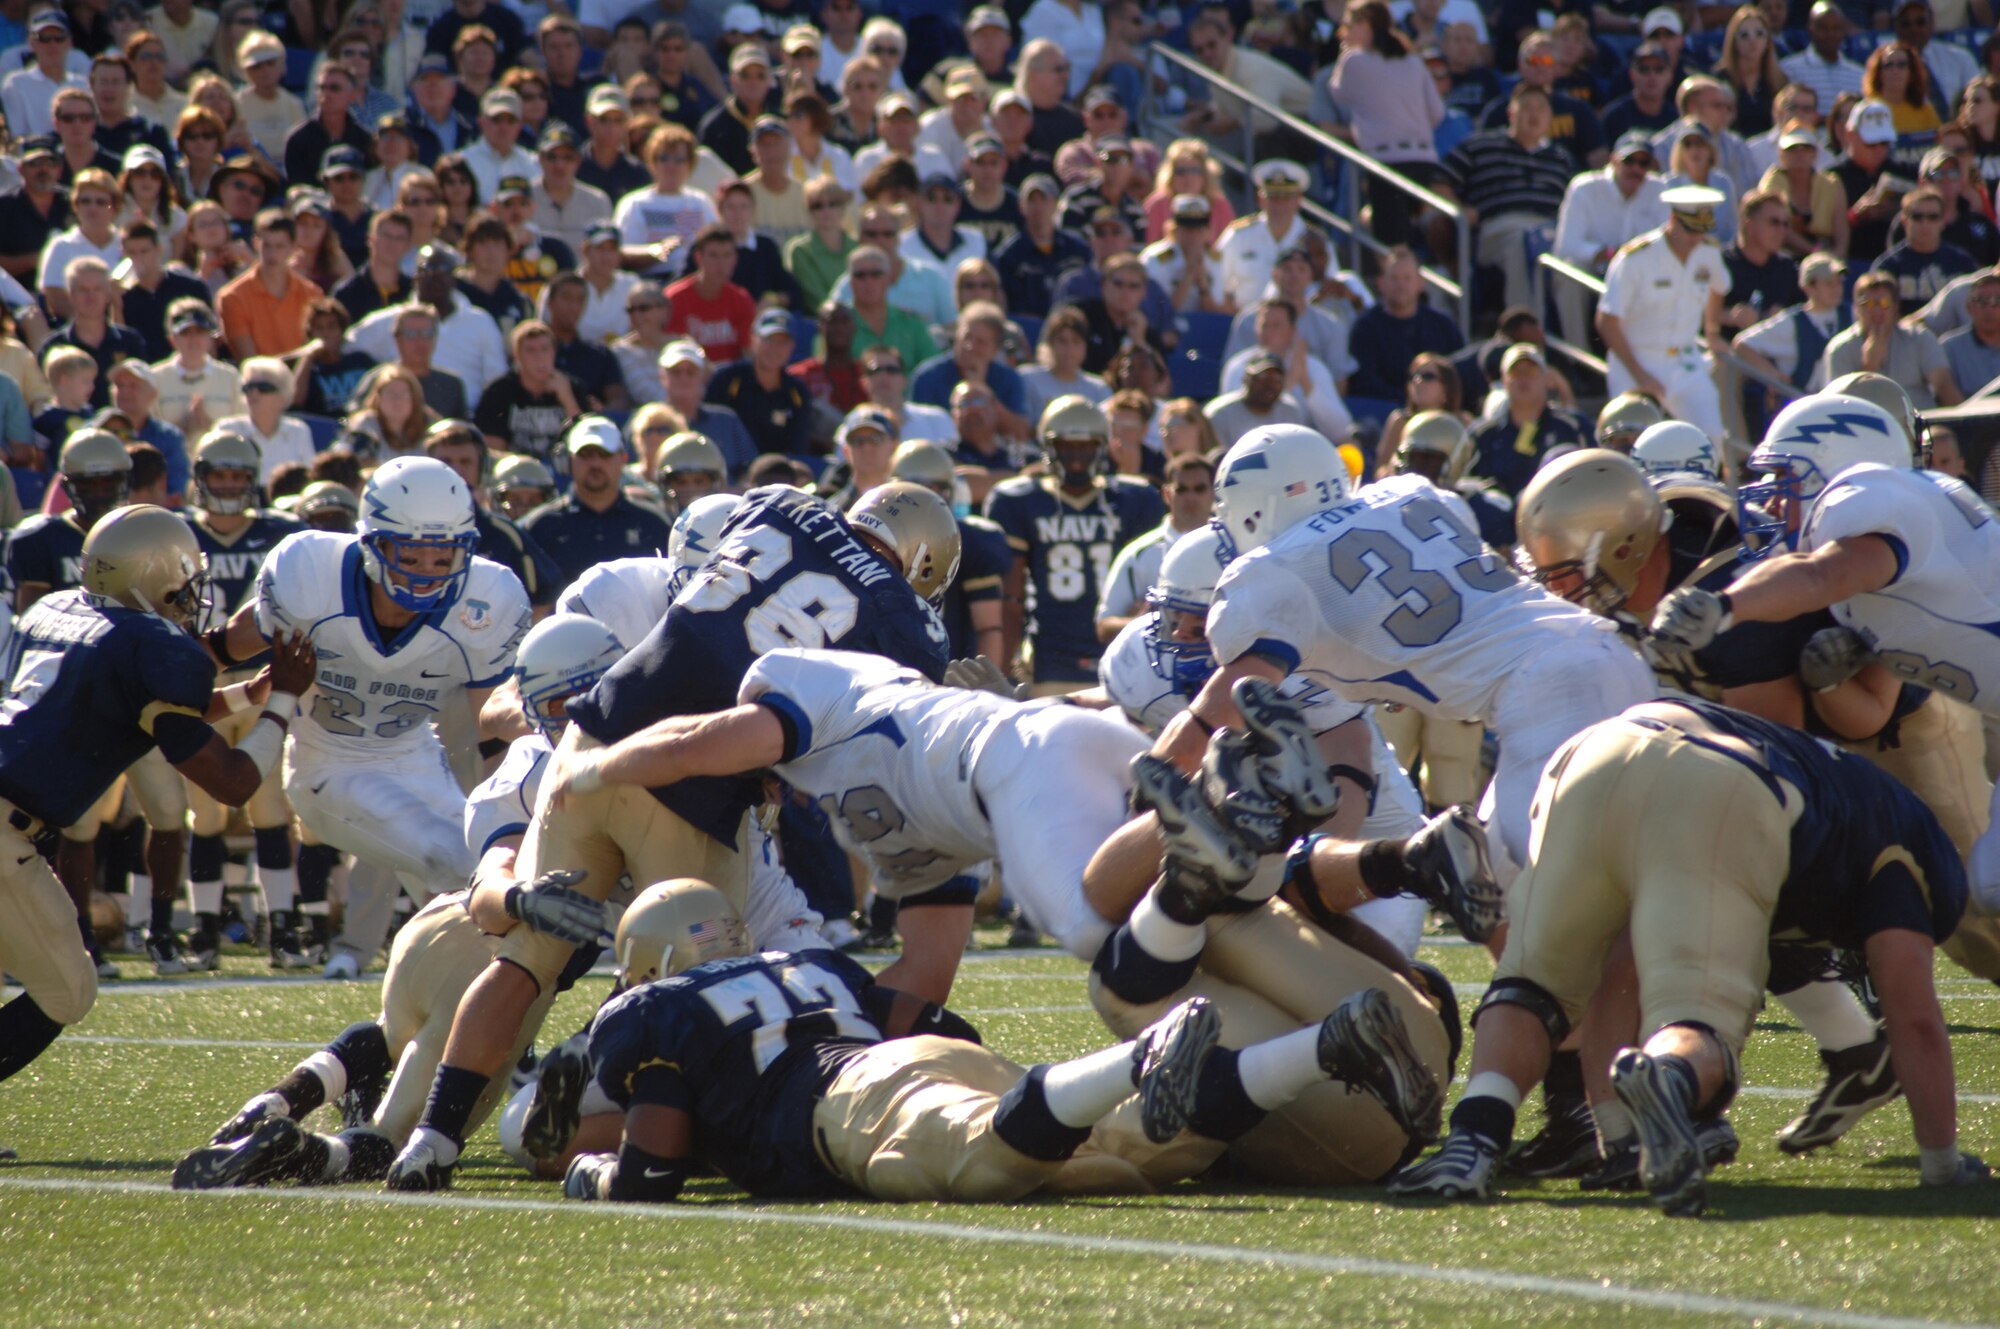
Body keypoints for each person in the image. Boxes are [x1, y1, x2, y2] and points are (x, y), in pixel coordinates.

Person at [383, 481, 958, 1191]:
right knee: (701, 989)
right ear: (926, 562)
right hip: (692, 783)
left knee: (521, 964)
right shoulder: (911, 625)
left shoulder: (780, 503)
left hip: (595, 736)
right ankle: (601, 1066)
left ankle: (431, 1141)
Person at [1390, 695, 1978, 1212]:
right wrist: (1943, 1161)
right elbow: (1915, 1020)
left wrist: (1619, 1138)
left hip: (1593, 752)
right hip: (1716, 781)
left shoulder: (1848, 791)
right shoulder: (1914, 852)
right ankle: (1671, 1082)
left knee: (1536, 982)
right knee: (1697, 1010)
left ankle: (1474, 1139)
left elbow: (1619, 976)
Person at [558, 883, 1435, 1206]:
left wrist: (596, 1176)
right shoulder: (810, 964)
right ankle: (1323, 1046)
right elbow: (942, 1030)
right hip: (932, 1064)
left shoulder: (655, 1010)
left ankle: (1144, 1055)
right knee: (1133, 1152)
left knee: (979, 1168)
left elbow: (655, 1170)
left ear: (649, 962)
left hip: (855, 1103)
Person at [1163, 425, 1652, 904]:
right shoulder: (1407, 494)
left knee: (1573, 889)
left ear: (1256, 507)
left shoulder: (1274, 570)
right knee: (1493, 889)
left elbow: (1223, 705)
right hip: (1608, 654)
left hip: (1549, 691)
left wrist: (1155, 776)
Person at [0, 506, 316, 1146]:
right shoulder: (142, 646)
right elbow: (231, 780)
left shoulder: (55, 613)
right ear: (148, 578)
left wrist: (251, 694)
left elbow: (156, 712)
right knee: (68, 992)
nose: (191, 601)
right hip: (7, 835)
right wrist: (284, 696)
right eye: (182, 588)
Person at [206, 456, 530, 982]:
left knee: (492, 863)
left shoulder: (485, 600)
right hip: (327, 767)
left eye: (441, 557)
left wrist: (516, 814)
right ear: (373, 545)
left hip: (414, 754)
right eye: (411, 555)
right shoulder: (310, 575)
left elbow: (492, 726)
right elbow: (215, 654)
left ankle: (464, 1019)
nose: (427, 572)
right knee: (460, 864)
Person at [986, 397, 1164, 693]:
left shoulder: (1135, 498)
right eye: (1067, 447)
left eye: (1085, 446)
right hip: (1051, 655)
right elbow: (1012, 596)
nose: (1077, 457)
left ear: (1102, 445)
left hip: (1119, 650)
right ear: (1048, 447)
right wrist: (1006, 665)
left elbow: (1149, 578)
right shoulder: (1019, 501)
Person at [1596, 186, 1728, 456]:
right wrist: (1640, 374)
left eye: (1703, 230)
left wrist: (1712, 331)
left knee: (1712, 436)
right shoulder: (1636, 258)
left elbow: (1720, 286)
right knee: (1632, 443)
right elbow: (1607, 320)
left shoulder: (1708, 252)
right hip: (1635, 358)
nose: (1697, 238)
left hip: (1686, 360)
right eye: (1691, 229)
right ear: (1673, 220)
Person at [1436, 85, 1575, 316]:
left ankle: (1576, 347)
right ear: (1511, 113)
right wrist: (1459, 209)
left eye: (1541, 108)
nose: (1534, 114)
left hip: (1551, 231)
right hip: (1499, 229)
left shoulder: (1562, 159)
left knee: (1572, 265)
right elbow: (1439, 181)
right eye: (1526, 107)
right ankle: (1525, 331)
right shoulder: (1480, 145)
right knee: (1520, 243)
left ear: (1550, 117)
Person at [1326, 1, 1444, 249]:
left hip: (1387, 164)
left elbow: (1338, 92)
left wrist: (1345, 50)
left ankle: (1410, 285)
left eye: (1349, 25)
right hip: (1424, 162)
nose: (1343, 31)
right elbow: (1437, 114)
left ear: (1364, 25)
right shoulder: (1413, 61)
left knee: (1392, 245)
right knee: (1381, 226)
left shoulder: (1354, 61)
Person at [517, 416, 674, 590]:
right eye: (585, 455)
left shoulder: (653, 523)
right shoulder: (540, 526)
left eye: (604, 454)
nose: (595, 463)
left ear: (623, 458)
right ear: (568, 460)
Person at [1552, 132, 1669, 344]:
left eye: (1643, 163)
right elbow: (1566, 247)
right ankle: (1578, 358)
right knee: (1569, 274)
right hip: (1593, 271)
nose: (1636, 169)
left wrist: (1629, 260)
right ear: (1614, 160)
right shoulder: (1584, 187)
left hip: (1638, 272)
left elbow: (1665, 244)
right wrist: (1607, 253)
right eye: (1629, 161)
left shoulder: (1660, 190)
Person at [1093, 454, 1213, 643]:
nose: (1191, 497)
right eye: (1181, 489)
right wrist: (1141, 622)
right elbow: (1104, 627)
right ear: (1166, 494)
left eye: (1199, 489)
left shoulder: (1234, 549)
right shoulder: (1138, 554)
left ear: (1214, 493)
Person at [1811, 268, 1958, 407]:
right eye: (1867, 304)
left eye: (1884, 303)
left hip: (1917, 424)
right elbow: (1840, 405)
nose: (1876, 311)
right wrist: (1869, 367)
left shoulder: (1919, 338)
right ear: (1855, 308)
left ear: (1895, 307)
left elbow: (1943, 386)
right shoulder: (1839, 348)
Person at [1345, 246, 1464, 406]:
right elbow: (1364, 383)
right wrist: (1411, 401)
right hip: (1388, 412)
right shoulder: (1365, 328)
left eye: (1407, 278)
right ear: (1381, 283)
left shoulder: (1443, 326)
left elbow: (1456, 374)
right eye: (1394, 278)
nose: (1400, 285)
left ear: (1421, 283)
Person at [1733, 252, 1853, 391]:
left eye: (1839, 283)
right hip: (1806, 404)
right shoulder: (1792, 322)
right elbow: (1742, 344)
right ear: (1809, 287)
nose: (1837, 289)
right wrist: (1774, 376)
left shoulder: (1851, 313)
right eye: (1829, 284)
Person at [705, 308, 811, 459]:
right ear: (753, 339)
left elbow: (797, 449)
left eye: (783, 342)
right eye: (769, 340)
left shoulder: (797, 393)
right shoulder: (726, 380)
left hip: (777, 475)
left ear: (792, 347)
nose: (775, 348)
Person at [1874, 184, 1979, 315]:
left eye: (1933, 217)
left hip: (1951, 334)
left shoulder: (1962, 263)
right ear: (1904, 221)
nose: (1925, 223)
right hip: (1903, 333)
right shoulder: (1888, 267)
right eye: (1917, 217)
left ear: (1943, 221)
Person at [1939, 269, 2000, 398]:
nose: (1989, 308)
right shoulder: (1949, 348)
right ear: (1969, 307)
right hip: (1969, 416)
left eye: (1997, 301)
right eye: (1981, 301)